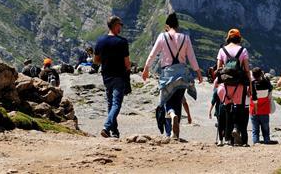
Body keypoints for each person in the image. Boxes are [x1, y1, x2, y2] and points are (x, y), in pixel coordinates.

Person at [142, 12, 203, 141]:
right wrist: (198, 72)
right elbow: (191, 57)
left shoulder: (162, 36)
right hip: (182, 73)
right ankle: (176, 134)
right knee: (178, 101)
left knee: (167, 101)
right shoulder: (185, 38)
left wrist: (146, 68)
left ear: (167, 26)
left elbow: (153, 54)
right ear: (178, 25)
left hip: (168, 73)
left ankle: (170, 121)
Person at [94, 15, 132, 139]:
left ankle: (114, 131)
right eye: (120, 25)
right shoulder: (122, 42)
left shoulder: (100, 41)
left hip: (106, 76)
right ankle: (106, 127)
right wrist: (128, 70)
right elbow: (127, 63)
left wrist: (106, 61)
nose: (121, 27)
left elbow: (96, 60)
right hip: (119, 76)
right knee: (116, 104)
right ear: (115, 26)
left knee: (110, 103)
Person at [216, 28, 252, 146]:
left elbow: (219, 69)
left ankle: (227, 139)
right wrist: (250, 86)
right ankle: (236, 128)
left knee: (227, 110)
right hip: (239, 85)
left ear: (228, 38)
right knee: (239, 109)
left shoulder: (222, 50)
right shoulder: (243, 50)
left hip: (224, 86)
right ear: (239, 38)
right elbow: (247, 70)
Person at [250, 67, 275, 144]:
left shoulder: (252, 85)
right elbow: (271, 89)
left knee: (255, 129)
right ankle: (266, 140)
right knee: (265, 128)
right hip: (264, 110)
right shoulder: (266, 83)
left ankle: (256, 141)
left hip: (254, 110)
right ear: (261, 74)